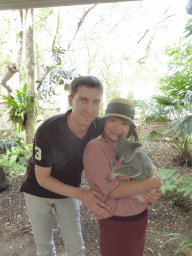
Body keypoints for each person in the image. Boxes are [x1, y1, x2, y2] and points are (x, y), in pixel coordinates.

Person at [20, 76, 111, 256]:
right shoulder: (48, 130)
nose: (90, 108)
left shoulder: (99, 127)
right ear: (71, 100)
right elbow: (42, 178)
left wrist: (150, 177)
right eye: (83, 100)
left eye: (95, 102)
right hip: (37, 190)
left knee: (77, 248)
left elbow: (125, 149)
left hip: (69, 189)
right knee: (45, 248)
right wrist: (83, 195)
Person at [83, 98, 162, 256]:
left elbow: (150, 168)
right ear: (104, 122)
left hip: (139, 216)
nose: (118, 127)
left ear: (130, 128)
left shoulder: (130, 146)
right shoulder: (95, 148)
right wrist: (153, 181)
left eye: (124, 123)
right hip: (114, 221)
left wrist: (154, 192)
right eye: (112, 120)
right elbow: (114, 189)